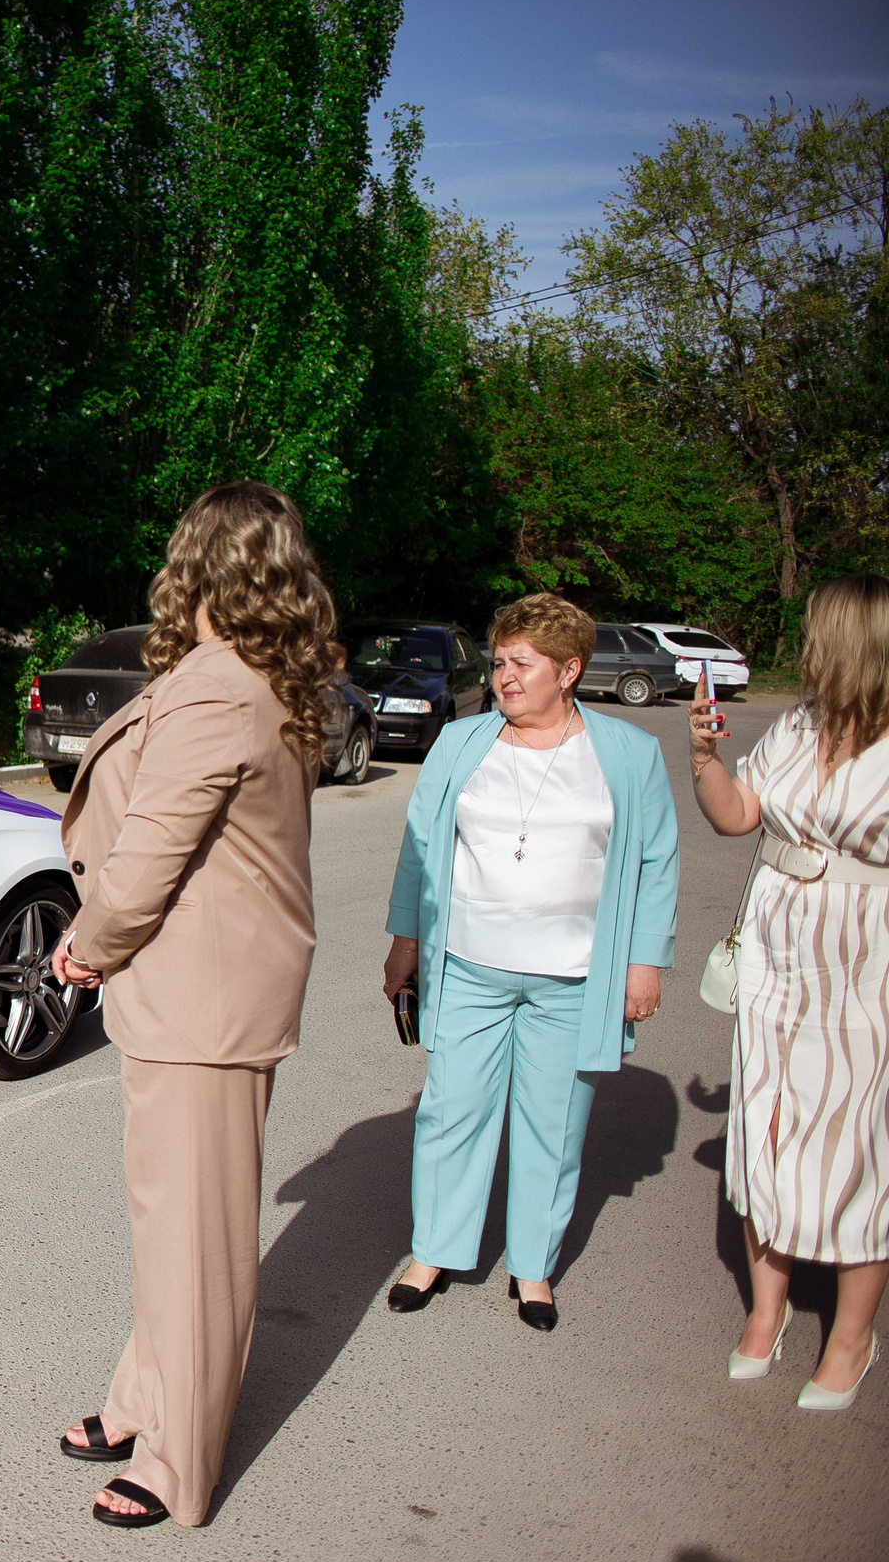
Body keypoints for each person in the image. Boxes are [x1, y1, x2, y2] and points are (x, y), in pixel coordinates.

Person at [48, 481, 337, 1530]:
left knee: (196, 1241)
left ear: (199, 561)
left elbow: (149, 856)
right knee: (167, 1219)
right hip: (196, 990)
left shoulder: (219, 686)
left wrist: (88, 944)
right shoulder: (248, 674)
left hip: (202, 998)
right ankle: (140, 1399)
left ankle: (179, 1463)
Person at [381, 593, 678, 1331]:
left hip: (574, 977)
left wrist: (645, 962)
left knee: (553, 1123)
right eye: (500, 660)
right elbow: (421, 849)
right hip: (469, 964)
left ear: (569, 670)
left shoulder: (627, 752)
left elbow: (656, 861)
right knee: (452, 1112)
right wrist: (405, 941)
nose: (505, 675)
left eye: (523, 663)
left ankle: (534, 1268)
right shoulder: (463, 742)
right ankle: (434, 1253)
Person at [688, 574, 889, 1409]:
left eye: (814, 631)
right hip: (776, 950)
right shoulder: (799, 726)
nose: (802, 642)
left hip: (864, 955)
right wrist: (703, 756)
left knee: (855, 1137)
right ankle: (765, 1313)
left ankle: (851, 1337)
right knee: (763, 1124)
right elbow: (736, 815)